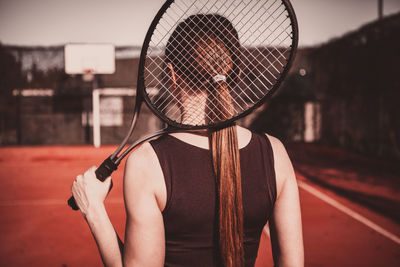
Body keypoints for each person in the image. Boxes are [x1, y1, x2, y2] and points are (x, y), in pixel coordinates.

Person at [71, 14, 303, 267]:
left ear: (172, 74)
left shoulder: (148, 163)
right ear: (233, 72)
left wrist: (93, 209)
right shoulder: (275, 153)